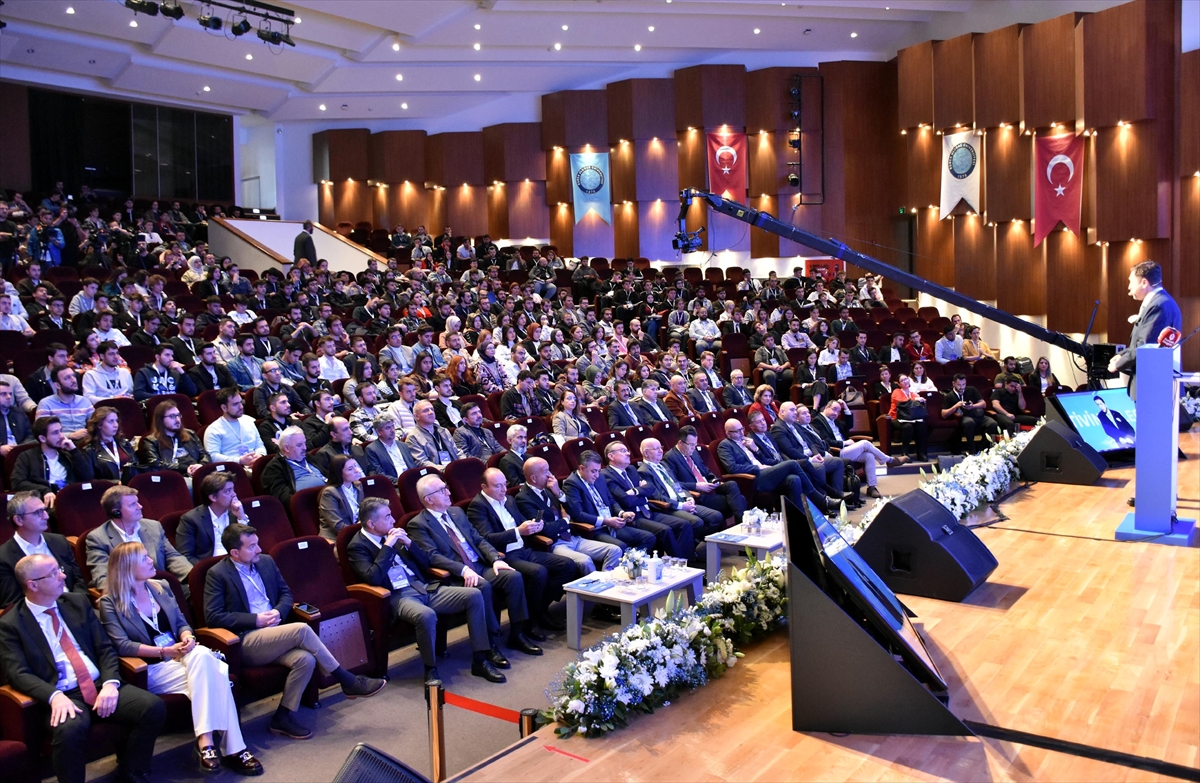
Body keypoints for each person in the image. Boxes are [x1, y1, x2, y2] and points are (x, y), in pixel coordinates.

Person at [203, 524, 386, 740]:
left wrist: (278, 612)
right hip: (246, 640)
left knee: (305, 660)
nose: (259, 549)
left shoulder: (266, 562)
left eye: (257, 543)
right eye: (251, 547)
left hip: (276, 632)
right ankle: (347, 680)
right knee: (301, 629)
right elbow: (213, 616)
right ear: (235, 552)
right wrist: (256, 619)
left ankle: (282, 717)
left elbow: (286, 594)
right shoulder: (218, 574)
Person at [0, 552, 166, 783]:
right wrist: (54, 696)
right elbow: (17, 673)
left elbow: (104, 648)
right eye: (53, 573)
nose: (62, 576)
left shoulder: (76, 603)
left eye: (59, 569)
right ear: (33, 585)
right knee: (69, 730)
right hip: (62, 693)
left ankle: (132, 771)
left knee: (153, 707)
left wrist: (110, 683)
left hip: (98, 683)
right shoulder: (11, 624)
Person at [99, 543, 263, 775]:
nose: (151, 561)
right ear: (127, 567)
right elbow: (122, 645)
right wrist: (164, 652)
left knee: (202, 655)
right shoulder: (110, 603)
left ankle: (206, 743)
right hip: (151, 668)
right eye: (144, 558)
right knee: (218, 678)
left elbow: (182, 623)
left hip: (184, 658)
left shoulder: (161, 587)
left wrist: (187, 637)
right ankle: (235, 750)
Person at [346, 497, 505, 685]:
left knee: (474, 594)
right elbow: (373, 577)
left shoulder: (394, 535)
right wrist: (388, 546)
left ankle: (480, 659)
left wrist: (409, 543)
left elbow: (425, 562)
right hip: (398, 596)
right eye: (387, 517)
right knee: (426, 615)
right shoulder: (357, 546)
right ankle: (431, 669)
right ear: (371, 524)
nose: (393, 520)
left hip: (424, 587)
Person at [409, 473, 545, 660]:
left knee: (513, 576)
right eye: (442, 490)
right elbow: (432, 556)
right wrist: (463, 570)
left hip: (479, 565)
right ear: (428, 499)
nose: (448, 492)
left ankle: (517, 633)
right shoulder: (418, 524)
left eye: (446, 487)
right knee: (483, 586)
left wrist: (495, 558)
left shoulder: (456, 512)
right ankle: (490, 643)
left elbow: (478, 539)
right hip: (457, 574)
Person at [466, 468, 574, 632]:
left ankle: (540, 610)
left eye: (505, 484)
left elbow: (522, 522)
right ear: (484, 487)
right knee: (538, 572)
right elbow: (486, 538)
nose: (504, 489)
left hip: (524, 549)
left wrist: (533, 525)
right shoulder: (478, 507)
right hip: (504, 555)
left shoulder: (509, 500)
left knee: (567, 565)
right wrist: (518, 531)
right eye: (498, 486)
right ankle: (532, 621)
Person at [514, 456, 621, 574]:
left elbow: (575, 512)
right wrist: (565, 520)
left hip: (573, 537)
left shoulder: (550, 488)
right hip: (555, 543)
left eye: (549, 470)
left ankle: (607, 581)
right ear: (534, 478)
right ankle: (597, 585)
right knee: (585, 561)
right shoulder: (523, 498)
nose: (550, 475)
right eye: (546, 472)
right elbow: (544, 529)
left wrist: (559, 493)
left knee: (614, 550)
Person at [717, 417, 840, 514]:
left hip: (766, 473)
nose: (741, 432)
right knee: (792, 464)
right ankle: (820, 499)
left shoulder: (747, 442)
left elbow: (763, 459)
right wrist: (758, 467)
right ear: (728, 433)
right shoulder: (725, 445)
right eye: (737, 431)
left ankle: (799, 517)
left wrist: (756, 450)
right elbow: (732, 468)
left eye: (742, 429)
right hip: (753, 479)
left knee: (794, 479)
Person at [85, 486, 191, 592]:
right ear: (116, 512)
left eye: (138, 502)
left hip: (161, 585)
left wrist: (192, 576)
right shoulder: (98, 538)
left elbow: (173, 557)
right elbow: (102, 578)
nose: (140, 506)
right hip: (129, 591)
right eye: (132, 504)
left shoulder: (153, 527)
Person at [0, 492, 88, 608]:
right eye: (38, 512)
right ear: (19, 520)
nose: (46, 516)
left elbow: (78, 580)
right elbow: (13, 602)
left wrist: (78, 604)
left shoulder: (59, 541)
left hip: (75, 606)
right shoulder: (4, 557)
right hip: (40, 615)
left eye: (44, 510)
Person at [1108, 260, 1182, 399]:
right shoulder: (1159, 302)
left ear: (1144, 282)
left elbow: (1146, 346)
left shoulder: (1158, 305)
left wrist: (1118, 364)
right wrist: (1122, 354)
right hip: (1152, 387)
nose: (1128, 288)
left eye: (1131, 282)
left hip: (1152, 387)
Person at [563, 450, 657, 553]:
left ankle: (633, 560)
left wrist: (622, 513)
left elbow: (611, 500)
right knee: (620, 546)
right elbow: (578, 515)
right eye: (593, 471)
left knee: (648, 537)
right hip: (595, 529)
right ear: (581, 468)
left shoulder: (600, 478)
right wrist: (605, 521)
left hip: (612, 524)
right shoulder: (572, 484)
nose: (597, 475)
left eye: (598, 471)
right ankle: (630, 560)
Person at [636, 438, 726, 545]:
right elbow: (657, 496)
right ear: (646, 453)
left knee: (716, 516)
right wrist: (682, 506)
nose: (661, 451)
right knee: (697, 522)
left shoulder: (663, 465)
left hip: (683, 501)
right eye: (656, 449)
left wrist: (688, 497)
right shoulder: (643, 471)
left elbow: (677, 485)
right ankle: (693, 548)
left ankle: (697, 543)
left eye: (661, 447)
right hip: (669, 507)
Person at [810, 400, 904, 499]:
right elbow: (825, 441)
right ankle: (889, 460)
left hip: (846, 449)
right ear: (826, 407)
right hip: (836, 452)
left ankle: (871, 487)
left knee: (869, 456)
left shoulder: (834, 420)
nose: (836, 413)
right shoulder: (818, 421)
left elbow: (849, 426)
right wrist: (844, 443)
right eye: (834, 409)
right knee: (865, 443)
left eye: (838, 411)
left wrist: (846, 408)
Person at [770, 402, 848, 502]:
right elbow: (789, 451)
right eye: (792, 410)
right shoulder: (778, 428)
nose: (795, 413)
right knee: (819, 467)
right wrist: (810, 459)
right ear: (782, 412)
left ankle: (839, 498)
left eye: (795, 410)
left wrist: (817, 454)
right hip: (801, 461)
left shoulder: (795, 424)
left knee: (838, 462)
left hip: (812, 457)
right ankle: (825, 502)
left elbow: (810, 442)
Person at [175, 472, 251, 564]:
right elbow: (185, 557)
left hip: (238, 563)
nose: (234, 494)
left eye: (233, 490)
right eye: (228, 491)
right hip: (211, 567)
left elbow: (250, 544)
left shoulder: (236, 513)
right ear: (213, 497)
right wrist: (205, 569)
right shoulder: (191, 519)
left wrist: (241, 517)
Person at [11, 416, 79, 508]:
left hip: (72, 498)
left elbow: (88, 476)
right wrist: (44, 490)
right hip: (47, 502)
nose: (61, 436)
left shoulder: (67, 454)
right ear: (42, 438)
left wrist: (74, 451)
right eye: (55, 433)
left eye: (60, 431)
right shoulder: (27, 456)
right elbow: (17, 482)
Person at [137, 400, 209, 480]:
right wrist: (184, 468)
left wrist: (201, 465)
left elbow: (205, 455)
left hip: (198, 473)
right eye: (172, 416)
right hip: (175, 477)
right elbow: (155, 465)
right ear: (161, 419)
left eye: (178, 415)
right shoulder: (151, 441)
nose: (177, 420)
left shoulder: (190, 434)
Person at [261, 427, 329, 508]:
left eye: (304, 443)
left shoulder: (308, 457)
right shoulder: (274, 469)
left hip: (329, 496)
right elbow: (285, 499)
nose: (305, 448)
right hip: (310, 506)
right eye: (299, 445)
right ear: (286, 448)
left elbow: (326, 474)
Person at [203, 387, 266, 467]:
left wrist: (260, 455)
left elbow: (259, 444)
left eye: (240, 402)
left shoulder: (249, 420)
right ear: (224, 408)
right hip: (232, 468)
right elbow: (213, 456)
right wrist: (239, 460)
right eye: (235, 404)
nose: (241, 407)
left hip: (255, 464)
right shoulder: (214, 429)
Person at [74, 406, 140, 483]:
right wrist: (114, 483)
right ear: (99, 425)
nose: (116, 425)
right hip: (107, 488)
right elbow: (89, 480)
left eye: (116, 421)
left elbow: (137, 467)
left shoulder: (125, 443)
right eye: (111, 421)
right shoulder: (89, 450)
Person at [940, 374, 999, 455]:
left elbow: (983, 404)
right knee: (968, 422)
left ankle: (981, 447)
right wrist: (956, 406)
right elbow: (943, 414)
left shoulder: (971, 389)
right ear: (953, 383)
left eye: (963, 384)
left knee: (993, 424)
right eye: (959, 385)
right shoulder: (949, 396)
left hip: (978, 414)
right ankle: (972, 449)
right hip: (965, 416)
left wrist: (972, 406)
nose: (962, 387)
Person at [317, 453, 365, 543]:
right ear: (339, 473)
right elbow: (337, 526)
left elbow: (362, 513)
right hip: (336, 538)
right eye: (350, 469)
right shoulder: (329, 493)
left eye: (355, 466)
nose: (357, 470)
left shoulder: (358, 486)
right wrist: (361, 531)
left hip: (357, 533)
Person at [405, 400, 462, 469]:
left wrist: (464, 463)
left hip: (454, 468)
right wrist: (445, 470)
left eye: (432, 409)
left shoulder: (444, 431)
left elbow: (457, 451)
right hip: (436, 472)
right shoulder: (412, 437)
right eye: (426, 410)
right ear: (416, 416)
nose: (431, 412)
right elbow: (422, 462)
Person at [888, 374, 930, 461]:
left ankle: (921, 453)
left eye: (906, 379)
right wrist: (915, 400)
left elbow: (920, 402)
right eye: (902, 380)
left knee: (921, 425)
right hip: (896, 418)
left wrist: (921, 399)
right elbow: (902, 402)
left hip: (910, 418)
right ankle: (905, 453)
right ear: (899, 384)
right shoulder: (896, 391)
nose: (905, 381)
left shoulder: (912, 393)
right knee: (908, 427)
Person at [0, 379, 34, 451]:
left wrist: (19, 448)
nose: (9, 397)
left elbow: (30, 435)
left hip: (20, 451)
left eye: (10, 394)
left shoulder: (19, 413)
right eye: (3, 394)